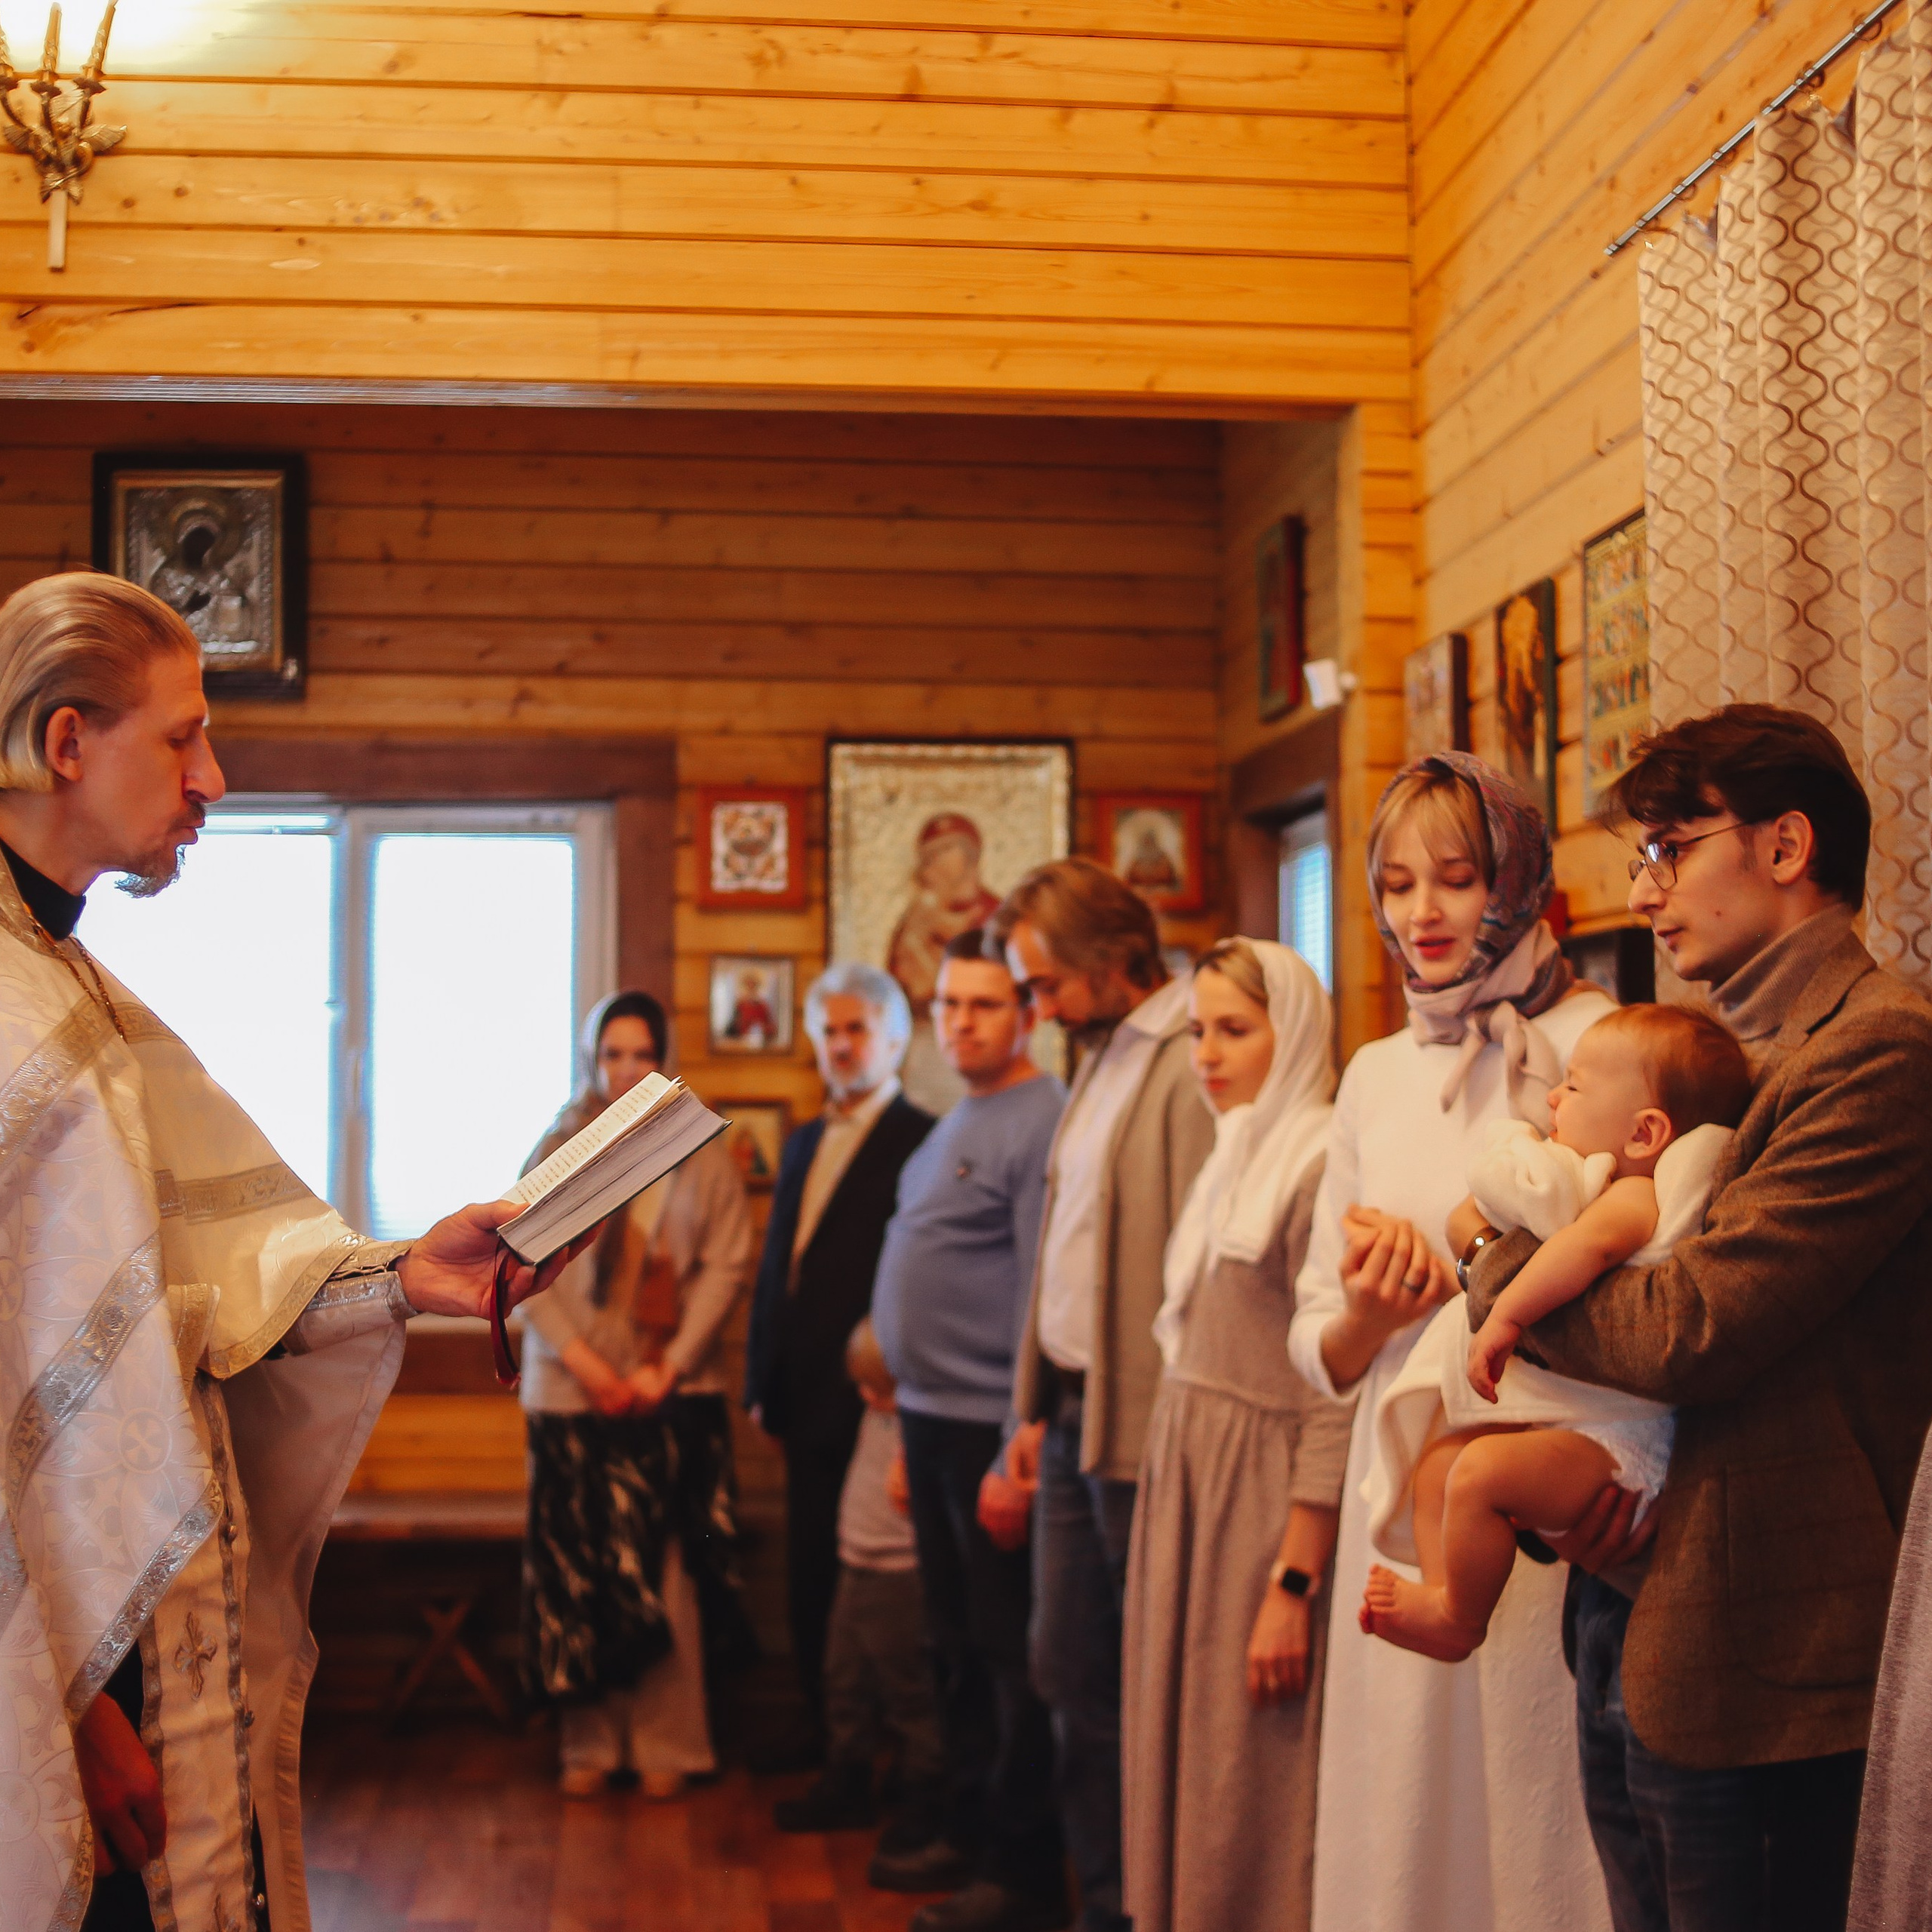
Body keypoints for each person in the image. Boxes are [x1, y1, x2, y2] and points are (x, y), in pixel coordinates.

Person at [0, 574, 583, 1932]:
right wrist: (63, 1712)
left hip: (126, 1636)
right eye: (183, 735)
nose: (213, 776)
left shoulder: (68, 987)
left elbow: (197, 1279)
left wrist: (410, 1275)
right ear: (67, 742)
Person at [1462, 704, 1932, 1932]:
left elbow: (1692, 1328)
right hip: (1638, 1601)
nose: (1643, 888)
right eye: (1643, 856)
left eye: (1671, 848)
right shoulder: (1721, 1049)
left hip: (1763, 1650)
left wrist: (1489, 1262)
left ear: (1785, 846)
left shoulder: (1880, 1050)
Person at [1287, 750, 1615, 1932]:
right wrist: (1374, 1313)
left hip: (1541, 1479)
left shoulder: (1597, 1040)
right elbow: (1315, 1345)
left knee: (1534, 1802)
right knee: (1408, 1808)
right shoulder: (1375, 1074)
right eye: (1395, 885)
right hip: (1400, 1482)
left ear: (1517, 883)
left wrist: (1482, 1285)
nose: (1421, 913)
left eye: (1458, 878)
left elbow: (1646, 1266)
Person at [1360, 1004, 1750, 1663]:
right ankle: (1441, 1592)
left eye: (1573, 1086)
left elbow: (1582, 1252)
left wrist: (1505, 1315)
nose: (1553, 1098)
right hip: (1580, 1426)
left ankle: (1461, 1618)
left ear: (1644, 1132)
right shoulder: (1601, 1184)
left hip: (1620, 1443)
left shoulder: (1635, 1195)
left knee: (1478, 1474)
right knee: (1439, 1469)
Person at [983, 857, 1215, 1932]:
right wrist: (1032, 1408)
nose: (1037, 1009)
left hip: (1143, 1418)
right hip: (1072, 1410)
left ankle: (1152, 1906)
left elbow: (1190, 1271)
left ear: (1115, 959)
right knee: (1066, 1670)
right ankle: (1107, 1904)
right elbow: (1064, 1246)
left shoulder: (1190, 1052)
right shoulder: (1098, 1054)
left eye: (1044, 984)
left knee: (1147, 1684)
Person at [1121, 937, 1354, 1932]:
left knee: (1243, 1775)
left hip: (1257, 1510)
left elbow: (1331, 1394)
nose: (1207, 1055)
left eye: (1235, 1030)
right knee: (1188, 1756)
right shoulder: (1234, 1153)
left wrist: (1291, 1582)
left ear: (1290, 1033)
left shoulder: (1319, 1160)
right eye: (1197, 1032)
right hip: (1192, 1487)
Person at [870, 927, 1069, 1927]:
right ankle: (965, 1826)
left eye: (984, 1004)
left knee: (1004, 1653)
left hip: (991, 1428)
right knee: (949, 1641)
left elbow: (1042, 1289)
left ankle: (1018, 1869)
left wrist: (1016, 1445)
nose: (959, 1022)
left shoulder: (1044, 1117)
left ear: (1028, 1013)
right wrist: (907, 1433)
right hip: (927, 1420)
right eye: (947, 1004)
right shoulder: (955, 1116)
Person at [518, 990, 755, 1800]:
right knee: (579, 1565)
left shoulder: (698, 1146)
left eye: (642, 1053)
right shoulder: (559, 1148)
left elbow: (726, 1264)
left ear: (665, 1058)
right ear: (591, 1061)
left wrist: (669, 1367)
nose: (626, 1070)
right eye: (611, 1054)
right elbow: (523, 1263)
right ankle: (587, 1744)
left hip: (667, 1386)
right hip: (570, 1388)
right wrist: (585, 1362)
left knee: (668, 1568)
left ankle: (668, 1741)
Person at [743, 961, 934, 1761]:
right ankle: (820, 1726)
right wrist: (761, 1380)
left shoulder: (921, 1140)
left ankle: (878, 1746)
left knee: (879, 1585)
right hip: (800, 1395)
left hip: (873, 1399)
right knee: (809, 1569)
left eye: (858, 1029)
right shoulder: (803, 1141)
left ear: (895, 1039)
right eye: (829, 1031)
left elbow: (918, 1277)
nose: (842, 1045)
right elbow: (778, 1270)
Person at [774, 1320, 946, 1846]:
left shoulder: (918, 1426)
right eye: (863, 1387)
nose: (868, 1398)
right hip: (855, 1564)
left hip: (898, 1573)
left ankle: (925, 1794)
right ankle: (847, 1780)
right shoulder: (876, 1413)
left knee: (908, 1691)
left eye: (879, 1389)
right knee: (843, 1679)